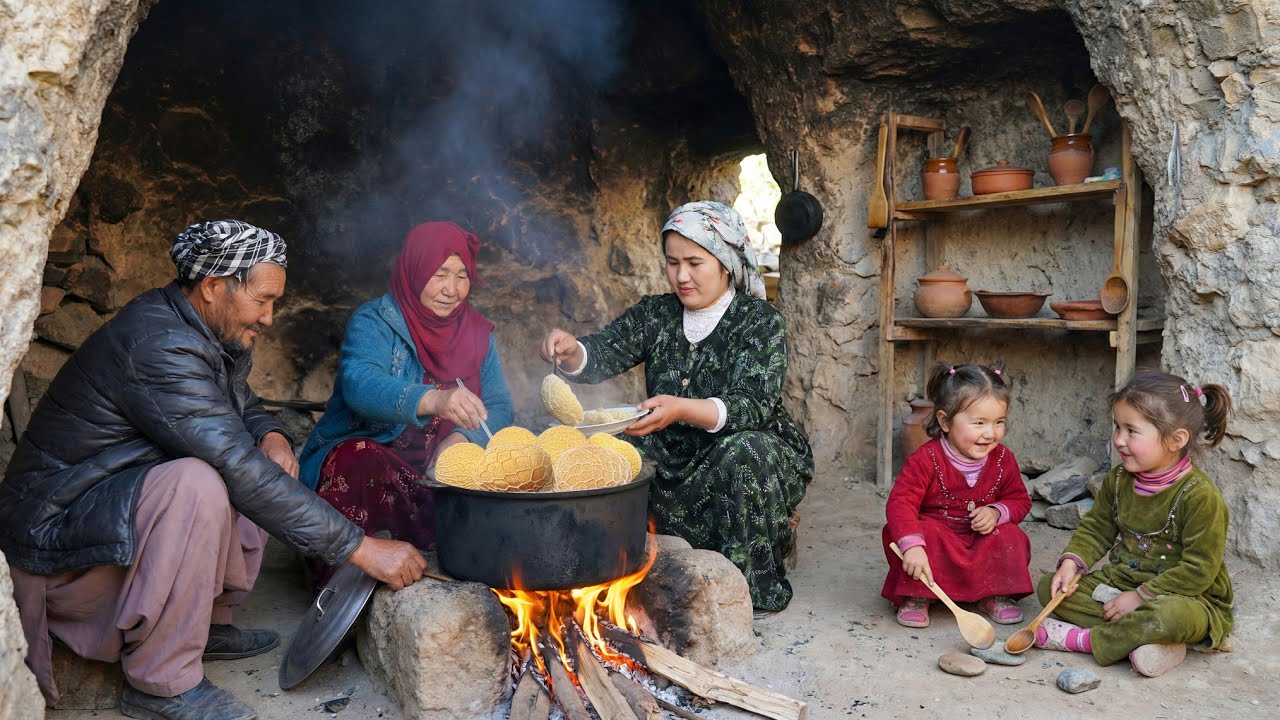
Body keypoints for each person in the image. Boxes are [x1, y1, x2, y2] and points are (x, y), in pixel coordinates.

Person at [0, 220, 426, 720]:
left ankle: (204, 620)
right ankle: (161, 682)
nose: (269, 318)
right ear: (213, 286)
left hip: (99, 513)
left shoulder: (197, 329)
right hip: (55, 541)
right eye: (263, 301)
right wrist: (361, 548)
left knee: (268, 459)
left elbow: (240, 406)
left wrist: (271, 435)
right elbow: (234, 466)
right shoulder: (160, 345)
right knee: (200, 482)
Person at [540, 200, 813, 613]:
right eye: (672, 262)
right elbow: (600, 354)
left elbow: (752, 405)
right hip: (668, 452)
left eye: (694, 262)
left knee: (745, 452)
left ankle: (750, 590)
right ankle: (621, 578)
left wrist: (682, 408)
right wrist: (570, 349)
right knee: (608, 454)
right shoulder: (657, 314)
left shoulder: (759, 321)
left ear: (725, 263)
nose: (681, 276)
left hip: (741, 455)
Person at [299, 221, 512, 585]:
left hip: (435, 476)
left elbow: (500, 406)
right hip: (373, 469)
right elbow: (359, 383)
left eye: (462, 276)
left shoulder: (477, 335)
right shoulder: (376, 322)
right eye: (439, 273)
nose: (452, 289)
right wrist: (433, 399)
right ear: (414, 270)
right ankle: (346, 584)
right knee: (357, 457)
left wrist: (460, 441)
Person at [1034, 369, 1233, 677]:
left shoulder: (1200, 497)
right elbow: (1097, 528)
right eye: (1117, 427)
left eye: (1131, 431)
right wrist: (1072, 563)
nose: (1118, 440)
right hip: (1122, 583)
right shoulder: (1118, 480)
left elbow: (1199, 571)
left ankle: (1086, 640)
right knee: (1051, 588)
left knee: (1170, 616)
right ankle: (1146, 643)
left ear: (1175, 440)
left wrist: (1141, 597)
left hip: (1185, 597)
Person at [882, 362, 1032, 629]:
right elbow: (901, 503)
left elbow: (1019, 501)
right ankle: (918, 596)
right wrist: (912, 545)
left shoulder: (1003, 459)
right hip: (939, 540)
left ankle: (992, 592)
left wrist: (997, 512)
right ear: (945, 421)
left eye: (999, 422)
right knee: (923, 535)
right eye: (979, 423)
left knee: (1010, 536)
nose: (990, 433)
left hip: (978, 539)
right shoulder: (926, 459)